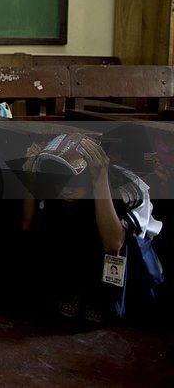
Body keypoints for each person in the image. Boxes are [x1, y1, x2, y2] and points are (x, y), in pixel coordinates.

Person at [22, 135, 164, 323]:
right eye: (60, 181)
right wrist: (30, 180)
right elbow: (27, 224)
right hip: (82, 249)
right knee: (59, 222)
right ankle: (72, 288)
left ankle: (103, 297)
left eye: (74, 183)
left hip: (129, 262)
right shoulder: (56, 189)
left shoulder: (128, 187)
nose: (66, 189)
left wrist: (99, 180)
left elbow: (113, 244)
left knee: (111, 236)